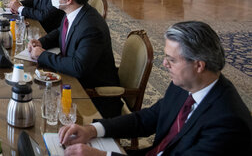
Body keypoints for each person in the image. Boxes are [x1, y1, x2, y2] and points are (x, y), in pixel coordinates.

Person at [59, 21, 252, 156]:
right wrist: (93, 130)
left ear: (199, 65)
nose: (164, 64)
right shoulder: (186, 82)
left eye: (172, 59)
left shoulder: (228, 122)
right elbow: (149, 118)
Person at [27, 0, 121, 118]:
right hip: (72, 80)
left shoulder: (91, 27)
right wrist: (42, 42)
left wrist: (43, 55)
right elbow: (61, 30)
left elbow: (78, 67)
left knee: (39, 107)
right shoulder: (76, 11)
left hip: (91, 95)